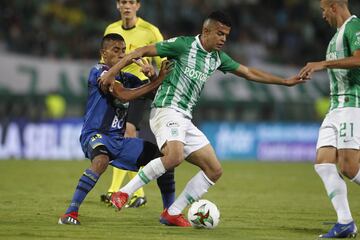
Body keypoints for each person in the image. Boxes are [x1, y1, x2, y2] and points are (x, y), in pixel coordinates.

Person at [99, 11, 306, 227]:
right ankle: (123, 193)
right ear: (206, 31)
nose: (223, 39)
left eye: (226, 35)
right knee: (174, 157)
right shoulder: (182, 45)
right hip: (166, 109)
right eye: (220, 33)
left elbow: (248, 72)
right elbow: (140, 51)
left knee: (214, 170)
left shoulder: (217, 58)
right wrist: (112, 71)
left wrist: (284, 81)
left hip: (184, 119)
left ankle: (173, 212)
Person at [58, 33, 173, 225]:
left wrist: (152, 75)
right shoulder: (99, 72)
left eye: (123, 51)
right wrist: (157, 80)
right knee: (101, 160)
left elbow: (153, 94)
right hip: (95, 135)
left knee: (165, 159)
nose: (121, 55)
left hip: (119, 141)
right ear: (103, 53)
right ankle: (70, 213)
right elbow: (124, 96)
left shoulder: (128, 78)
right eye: (115, 50)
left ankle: (170, 213)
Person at [100, 0, 174, 209]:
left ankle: (121, 190)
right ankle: (134, 192)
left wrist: (156, 78)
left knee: (129, 132)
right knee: (118, 137)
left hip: (140, 89)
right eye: (123, 1)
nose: (127, 6)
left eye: (131, 2)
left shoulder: (150, 31)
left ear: (138, 6)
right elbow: (105, 61)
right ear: (117, 5)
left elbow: (166, 61)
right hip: (119, 90)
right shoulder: (111, 30)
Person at [298, 0, 360, 238]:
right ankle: (345, 222)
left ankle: (345, 223)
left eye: (324, 10)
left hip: (351, 105)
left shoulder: (354, 27)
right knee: (323, 163)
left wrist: (322, 63)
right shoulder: (335, 37)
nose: (322, 15)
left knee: (349, 167)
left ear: (334, 7)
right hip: (335, 107)